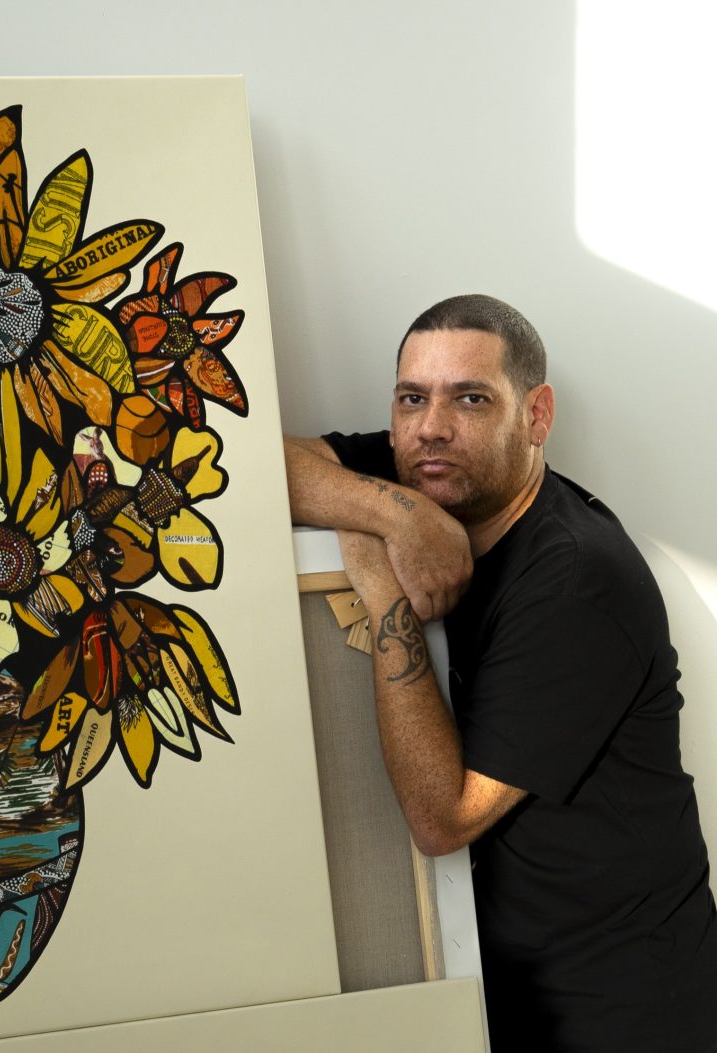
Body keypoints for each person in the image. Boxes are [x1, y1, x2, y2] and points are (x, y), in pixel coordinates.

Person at [284, 294, 717, 1052]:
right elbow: (245, 469)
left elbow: (442, 818)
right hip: (504, 995)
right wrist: (395, 515)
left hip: (625, 1009)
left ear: (536, 416)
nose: (432, 426)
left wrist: (383, 592)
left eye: (471, 399)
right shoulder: (426, 474)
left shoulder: (577, 580)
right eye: (411, 398)